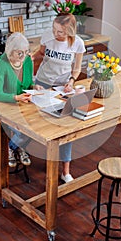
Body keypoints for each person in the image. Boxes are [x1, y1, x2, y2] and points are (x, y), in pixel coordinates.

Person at [32, 13, 86, 182]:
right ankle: (19, 150)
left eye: (61, 32)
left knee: (65, 127)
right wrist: (29, 58)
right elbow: (40, 53)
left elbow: (76, 68)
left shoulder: (77, 44)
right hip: (42, 83)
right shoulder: (48, 36)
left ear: (70, 31)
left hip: (62, 87)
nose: (56, 34)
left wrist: (71, 81)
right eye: (54, 30)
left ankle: (65, 171)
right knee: (36, 121)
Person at [0, 32, 43, 168]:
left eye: (25, 52)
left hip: (22, 105)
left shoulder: (27, 61)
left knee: (38, 126)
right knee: (23, 130)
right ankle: (14, 148)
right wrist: (15, 97)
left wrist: (34, 86)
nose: (23, 56)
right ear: (10, 51)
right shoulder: (1, 63)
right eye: (19, 53)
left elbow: (28, 83)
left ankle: (13, 147)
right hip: (2, 107)